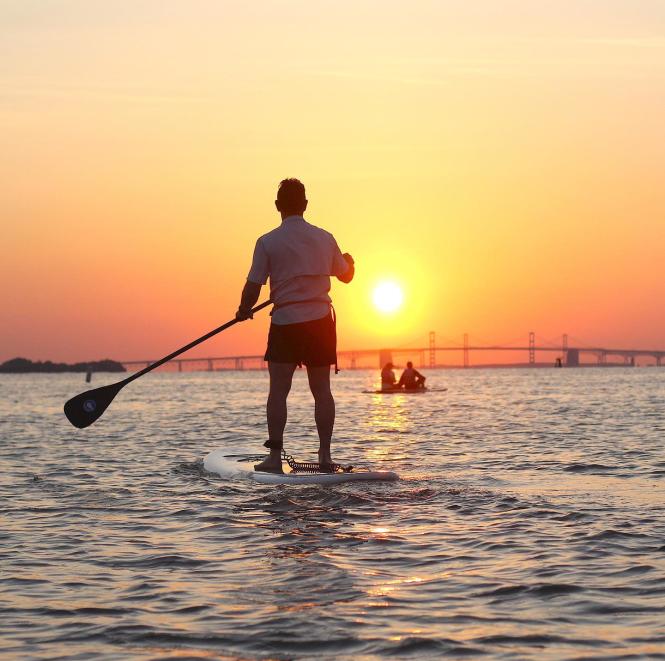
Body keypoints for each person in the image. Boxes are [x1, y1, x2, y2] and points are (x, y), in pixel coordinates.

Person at [236, 178, 354, 473]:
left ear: (278, 206)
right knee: (322, 390)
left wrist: (243, 310)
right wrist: (350, 262)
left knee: (278, 391)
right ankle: (325, 457)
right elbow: (346, 276)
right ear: (305, 205)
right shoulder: (325, 238)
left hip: (286, 323)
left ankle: (274, 459)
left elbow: (253, 284)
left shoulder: (267, 241)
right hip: (319, 323)